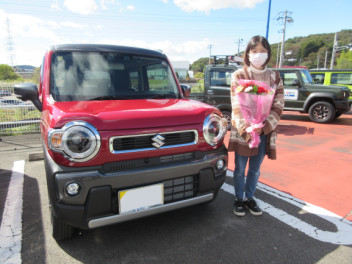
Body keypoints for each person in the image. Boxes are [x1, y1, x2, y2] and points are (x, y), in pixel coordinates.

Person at [228, 35, 284, 216]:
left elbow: (279, 104)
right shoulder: (239, 75)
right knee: (239, 168)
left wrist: (265, 125)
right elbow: (236, 104)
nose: (258, 55)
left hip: (263, 131)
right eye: (254, 51)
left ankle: (249, 197)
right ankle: (238, 198)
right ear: (248, 53)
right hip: (244, 131)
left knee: (255, 169)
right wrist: (247, 127)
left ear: (268, 53)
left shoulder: (274, 77)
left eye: (262, 51)